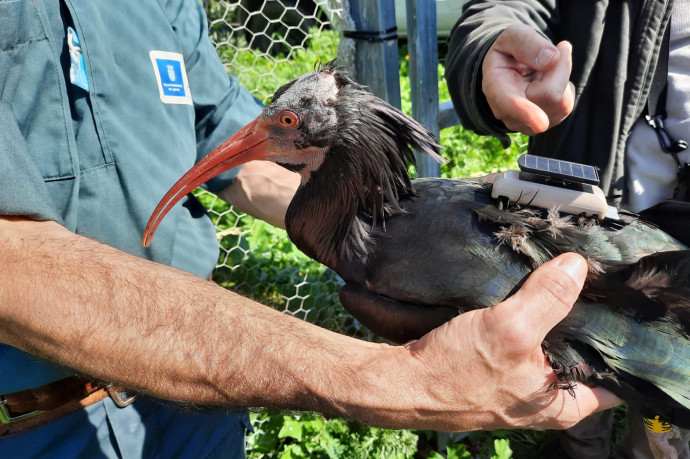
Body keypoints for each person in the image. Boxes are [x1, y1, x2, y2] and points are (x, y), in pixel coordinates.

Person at [0, 0, 619, 456]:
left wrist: (394, 232)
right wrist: (396, 380)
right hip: (38, 423)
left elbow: (221, 138)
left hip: (197, 405)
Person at [446, 0, 690, 457]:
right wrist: (489, 48)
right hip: (585, 216)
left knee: (668, 413)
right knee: (570, 374)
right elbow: (505, 10)